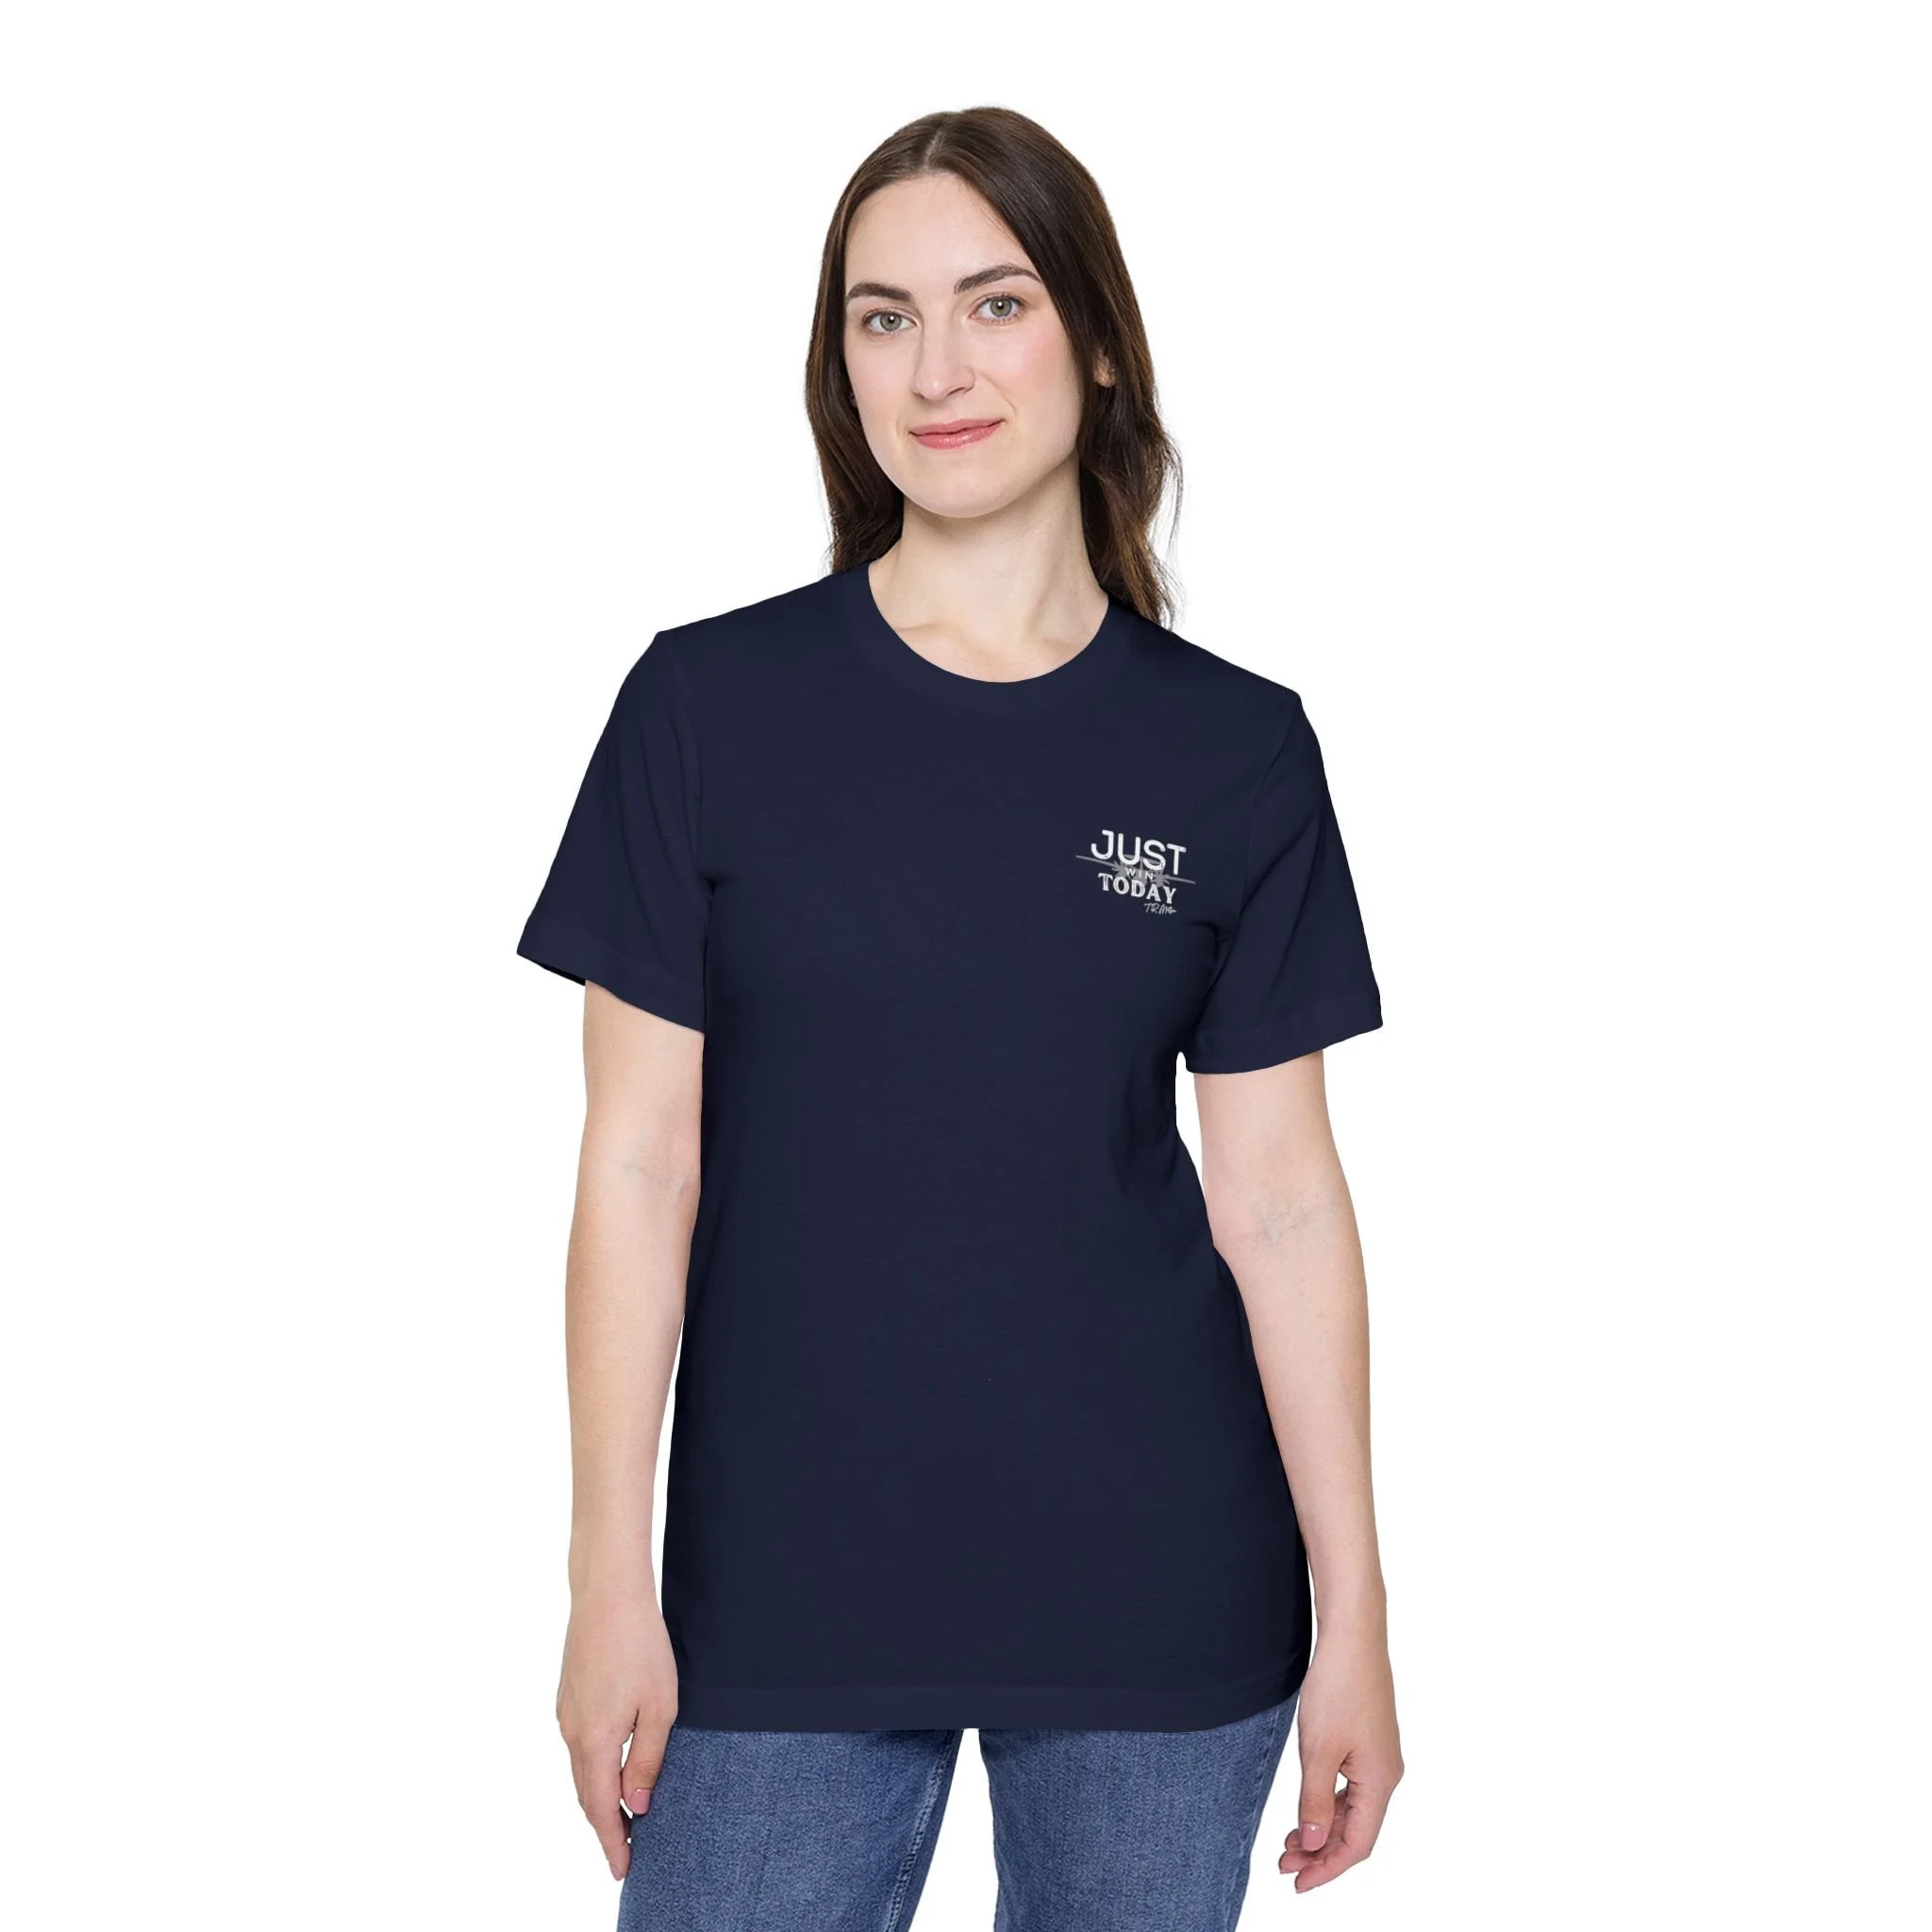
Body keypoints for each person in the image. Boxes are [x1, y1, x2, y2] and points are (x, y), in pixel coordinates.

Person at [515, 106, 1404, 1931]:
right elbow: (637, 1165)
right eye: (884, 317)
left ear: (1097, 341)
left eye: (996, 305)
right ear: (839, 364)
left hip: (1161, 1590)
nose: (938, 369)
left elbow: (1281, 1202)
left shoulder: (1235, 751)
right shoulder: (706, 711)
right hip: (776, 1597)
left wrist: (1358, 1612)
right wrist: (608, 1577)